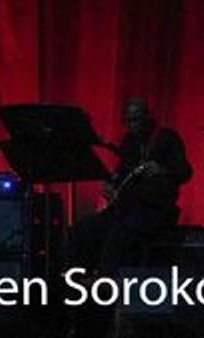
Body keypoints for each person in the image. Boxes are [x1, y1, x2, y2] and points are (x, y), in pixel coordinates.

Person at [68, 96, 192, 274]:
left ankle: (107, 281)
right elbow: (122, 173)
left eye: (136, 120)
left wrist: (163, 169)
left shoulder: (166, 137)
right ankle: (80, 278)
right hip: (126, 208)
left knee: (119, 232)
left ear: (147, 117)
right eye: (128, 121)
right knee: (82, 229)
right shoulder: (129, 141)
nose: (132, 125)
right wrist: (111, 186)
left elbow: (185, 172)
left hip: (155, 210)